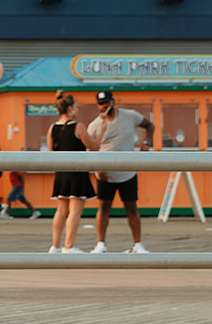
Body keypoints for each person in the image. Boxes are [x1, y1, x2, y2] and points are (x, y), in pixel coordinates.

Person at [86, 90, 155, 254]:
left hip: (127, 172)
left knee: (131, 207)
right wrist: (98, 168)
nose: (105, 106)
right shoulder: (94, 126)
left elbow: (149, 125)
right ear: (97, 105)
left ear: (113, 101)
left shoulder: (129, 115)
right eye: (101, 103)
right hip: (105, 174)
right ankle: (100, 244)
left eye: (107, 102)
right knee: (103, 207)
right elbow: (90, 149)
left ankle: (138, 244)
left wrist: (146, 142)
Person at [47, 91, 95, 253]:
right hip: (77, 171)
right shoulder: (78, 126)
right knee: (75, 210)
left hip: (61, 172)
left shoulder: (52, 128)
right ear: (70, 108)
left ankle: (55, 246)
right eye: (75, 106)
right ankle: (69, 246)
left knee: (61, 210)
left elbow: (50, 151)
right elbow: (92, 146)